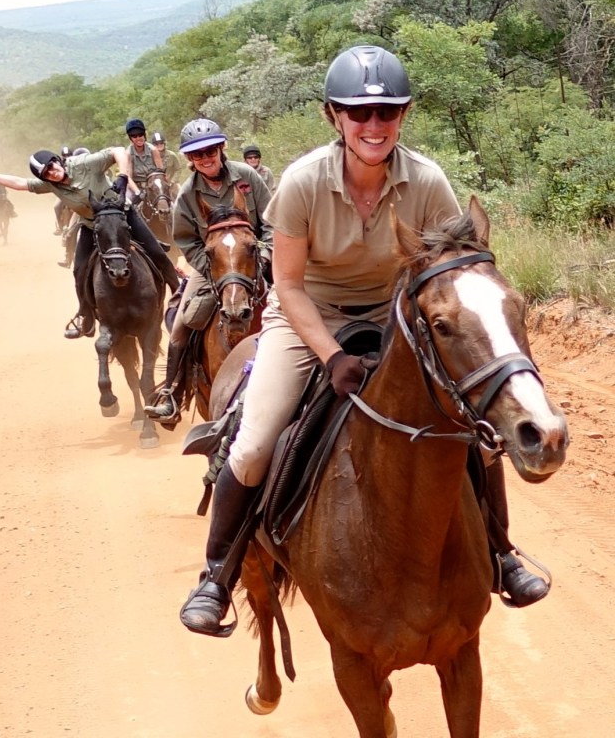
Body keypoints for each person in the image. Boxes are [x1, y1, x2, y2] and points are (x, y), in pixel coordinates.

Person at [178, 45, 551, 637]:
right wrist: (332, 357)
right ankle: (217, 574)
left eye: (387, 113)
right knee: (253, 443)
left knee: (472, 430)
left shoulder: (427, 180)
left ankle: (502, 554)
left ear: (402, 116)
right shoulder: (302, 182)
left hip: (394, 312)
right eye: (359, 113)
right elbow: (290, 286)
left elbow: (450, 271)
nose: (373, 125)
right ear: (334, 117)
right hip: (309, 315)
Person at [0, 147, 181, 339]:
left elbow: (118, 151)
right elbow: (20, 183)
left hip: (121, 215)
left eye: (51, 166)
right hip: (91, 225)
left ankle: (178, 294)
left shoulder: (84, 163)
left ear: (58, 160)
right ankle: (85, 314)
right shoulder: (50, 185)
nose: (52, 173)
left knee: (156, 251)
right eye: (46, 173)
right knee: (78, 270)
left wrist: (123, 176)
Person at [143, 118, 273, 429]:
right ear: (189, 159)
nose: (205, 158)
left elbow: (272, 221)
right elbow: (186, 240)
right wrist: (215, 268)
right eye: (197, 154)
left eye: (210, 150)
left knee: (309, 297)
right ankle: (172, 393)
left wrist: (264, 256)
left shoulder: (247, 177)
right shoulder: (187, 194)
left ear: (221, 148)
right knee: (185, 320)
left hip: (255, 258)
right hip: (213, 264)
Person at [125, 118, 165, 195]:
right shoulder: (128, 154)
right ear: (131, 138)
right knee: (126, 202)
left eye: (140, 135)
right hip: (136, 187)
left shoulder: (153, 150)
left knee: (170, 200)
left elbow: (161, 172)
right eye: (134, 136)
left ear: (144, 135)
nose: (138, 138)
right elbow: (128, 178)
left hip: (153, 184)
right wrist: (138, 192)